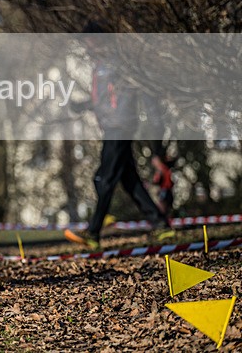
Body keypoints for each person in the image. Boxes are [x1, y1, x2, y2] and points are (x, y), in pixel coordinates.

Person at [64, 22, 175, 250]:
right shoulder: (102, 65)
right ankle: (160, 224)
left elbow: (128, 95)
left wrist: (156, 140)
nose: (86, 47)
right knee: (129, 181)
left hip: (120, 126)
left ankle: (94, 232)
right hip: (114, 125)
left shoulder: (117, 63)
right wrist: (84, 105)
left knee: (103, 178)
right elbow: (106, 99)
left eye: (88, 42)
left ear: (99, 40)